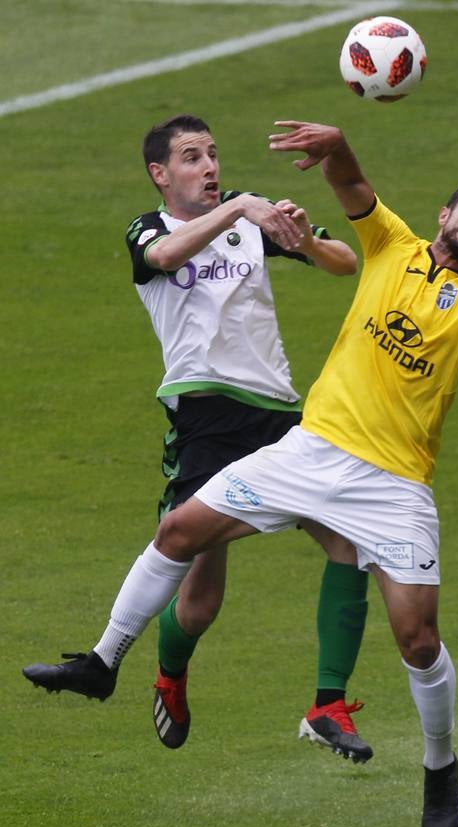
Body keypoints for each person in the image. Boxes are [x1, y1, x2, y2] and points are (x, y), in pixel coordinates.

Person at [24, 120, 458, 827]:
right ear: (443, 215)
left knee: (418, 639)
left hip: (393, 482)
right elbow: (352, 189)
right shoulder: (391, 244)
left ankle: (439, 764)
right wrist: (334, 145)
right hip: (307, 449)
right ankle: (105, 662)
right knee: (180, 535)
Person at [23, 114, 373, 764]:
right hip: (206, 420)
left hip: (278, 418)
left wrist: (302, 239)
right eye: (191, 157)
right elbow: (162, 258)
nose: (209, 166)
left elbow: (345, 260)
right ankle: (160, 673)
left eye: (212, 154)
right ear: (161, 174)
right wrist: (242, 207)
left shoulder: (249, 222)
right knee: (200, 592)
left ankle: (327, 703)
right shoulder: (149, 229)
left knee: (348, 540)